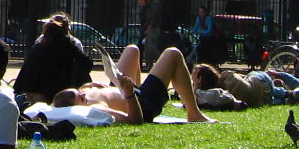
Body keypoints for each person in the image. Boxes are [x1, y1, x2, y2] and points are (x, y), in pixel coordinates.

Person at [49, 42, 215, 124]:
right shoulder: (95, 109)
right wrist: (129, 93)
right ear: (77, 106)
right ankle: (194, 114)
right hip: (142, 102)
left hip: (120, 87)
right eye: (80, 97)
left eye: (79, 91)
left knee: (132, 49)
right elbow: (134, 119)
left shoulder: (81, 93)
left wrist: (94, 86)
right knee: (173, 54)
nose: (83, 93)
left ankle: (137, 84)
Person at [13, 13, 94, 103]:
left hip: (28, 88)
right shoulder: (65, 44)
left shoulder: (39, 44)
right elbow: (87, 63)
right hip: (48, 90)